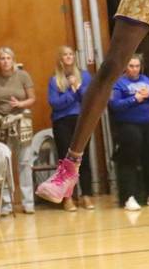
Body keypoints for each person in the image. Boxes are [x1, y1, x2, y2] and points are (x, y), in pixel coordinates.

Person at [0, 47, 36, 215]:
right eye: (2, 59)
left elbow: (32, 98)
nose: (5, 61)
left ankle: (28, 202)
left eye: (8, 58)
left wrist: (20, 104)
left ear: (13, 60)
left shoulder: (23, 75)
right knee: (3, 163)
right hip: (1, 123)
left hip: (21, 121)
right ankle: (6, 204)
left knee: (24, 162)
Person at [109, 56, 149, 211]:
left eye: (137, 66)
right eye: (131, 66)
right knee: (129, 161)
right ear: (125, 67)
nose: (134, 69)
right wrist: (135, 99)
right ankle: (128, 197)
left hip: (148, 124)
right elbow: (115, 105)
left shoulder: (146, 80)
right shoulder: (118, 83)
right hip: (128, 126)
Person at [46, 47, 93, 211]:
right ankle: (67, 197)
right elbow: (55, 103)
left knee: (84, 158)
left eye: (71, 54)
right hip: (62, 122)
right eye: (65, 55)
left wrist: (77, 88)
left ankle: (86, 194)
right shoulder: (54, 80)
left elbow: (89, 98)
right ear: (60, 58)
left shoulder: (85, 76)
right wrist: (73, 94)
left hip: (82, 120)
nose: (68, 57)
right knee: (66, 161)